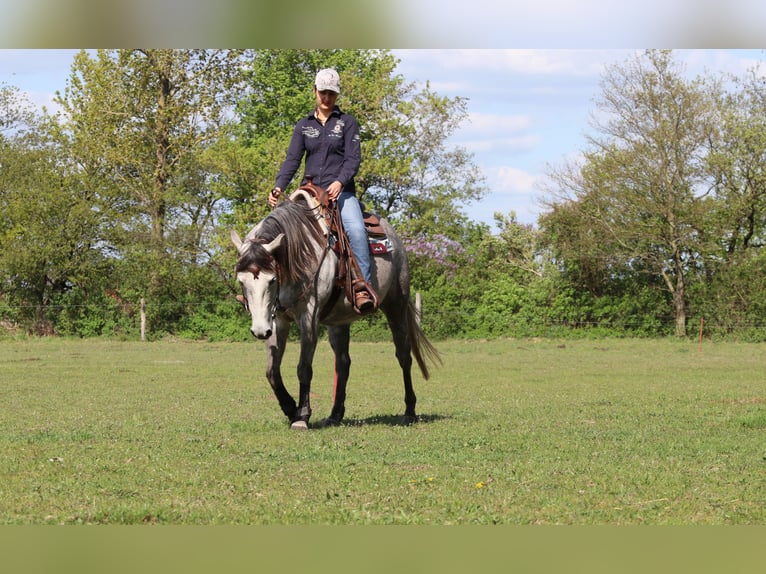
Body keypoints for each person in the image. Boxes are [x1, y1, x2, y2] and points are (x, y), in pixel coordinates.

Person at [269, 68, 376, 313]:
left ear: (336, 95)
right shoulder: (303, 126)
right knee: (278, 230)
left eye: (331, 93)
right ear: (314, 91)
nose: (326, 98)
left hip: (341, 193)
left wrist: (340, 182)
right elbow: (292, 161)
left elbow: (353, 159)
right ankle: (271, 289)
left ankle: (362, 287)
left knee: (357, 230)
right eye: (322, 93)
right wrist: (278, 186)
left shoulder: (347, 123)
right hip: (308, 194)